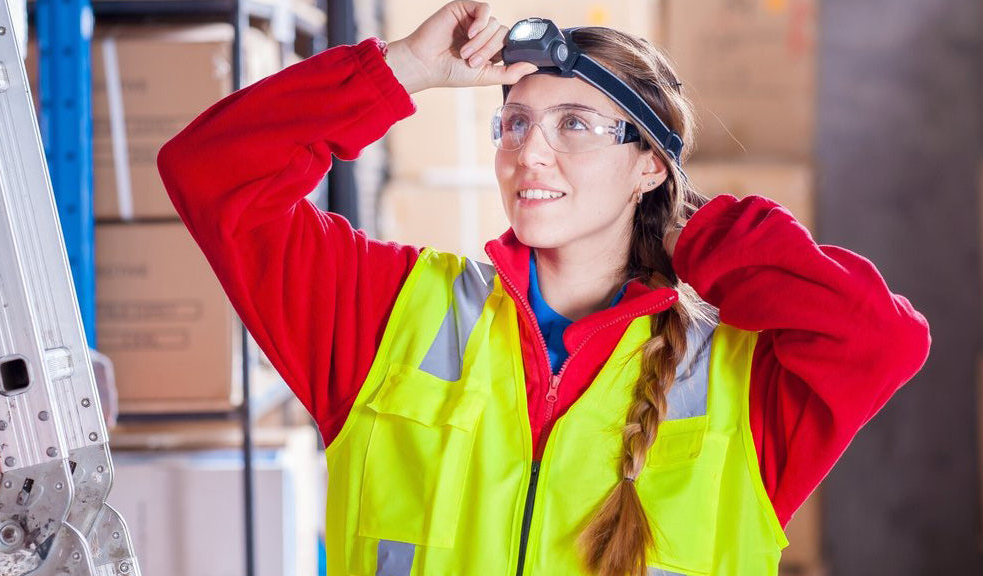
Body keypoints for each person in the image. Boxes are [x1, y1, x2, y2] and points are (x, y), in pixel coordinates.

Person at [156, 2, 931, 575]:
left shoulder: (741, 385)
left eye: (576, 126)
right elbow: (212, 175)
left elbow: (883, 340)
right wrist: (404, 70)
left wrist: (695, 233)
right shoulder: (391, 316)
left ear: (649, 166)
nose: (531, 153)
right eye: (517, 123)